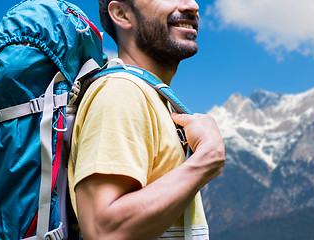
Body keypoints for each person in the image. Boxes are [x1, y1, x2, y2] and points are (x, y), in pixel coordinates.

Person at [67, 0, 226, 239]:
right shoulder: (121, 92)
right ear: (121, 14)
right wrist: (206, 160)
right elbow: (103, 231)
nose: (192, 5)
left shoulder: (151, 96)